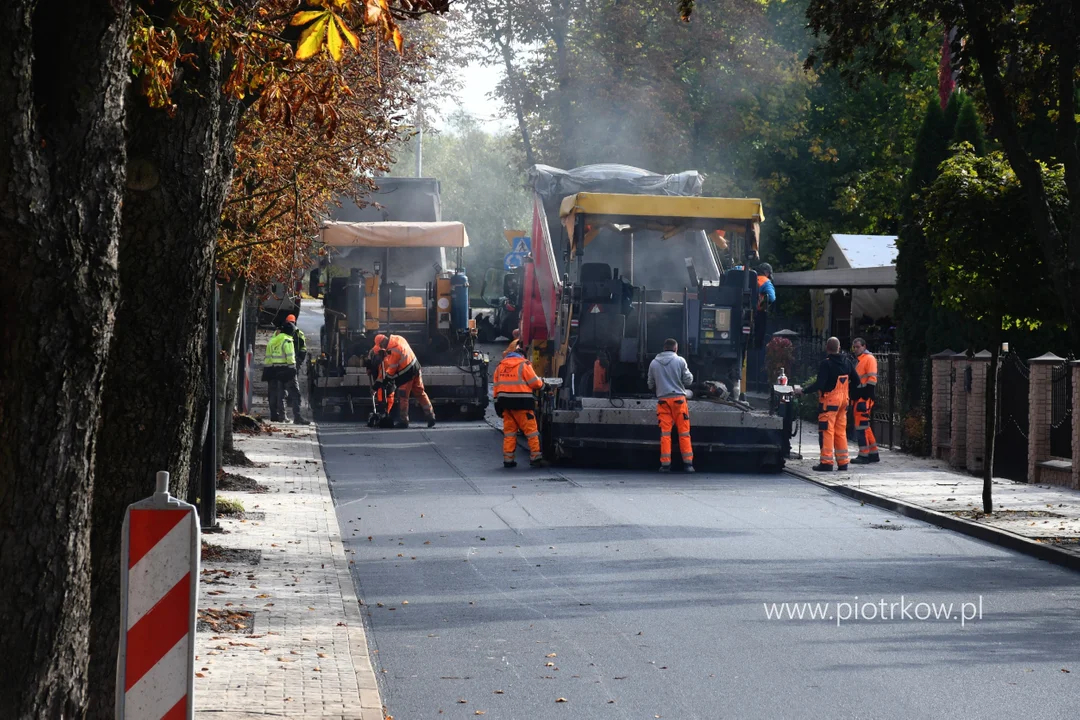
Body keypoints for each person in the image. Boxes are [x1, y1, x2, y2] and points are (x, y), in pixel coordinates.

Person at [794, 337, 857, 471]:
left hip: (829, 403)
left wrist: (803, 391)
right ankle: (843, 462)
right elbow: (856, 381)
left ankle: (827, 463)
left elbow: (819, 384)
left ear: (827, 349)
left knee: (827, 431)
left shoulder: (826, 364)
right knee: (840, 431)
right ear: (839, 348)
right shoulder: (847, 362)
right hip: (843, 402)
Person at [647, 338, 695, 473]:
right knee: (684, 433)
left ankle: (665, 465)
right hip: (679, 401)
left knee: (665, 434)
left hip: (663, 402)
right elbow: (688, 380)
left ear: (664, 348)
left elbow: (650, 383)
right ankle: (688, 464)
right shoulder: (680, 361)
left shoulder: (654, 363)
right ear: (675, 348)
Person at [493, 346, 545, 467]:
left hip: (505, 404)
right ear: (522, 356)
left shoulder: (500, 366)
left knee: (510, 433)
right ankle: (535, 457)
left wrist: (497, 404)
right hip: (523, 404)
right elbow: (535, 382)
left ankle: (508, 460)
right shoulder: (524, 364)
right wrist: (543, 386)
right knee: (531, 431)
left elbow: (496, 387)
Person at [370, 333, 435, 429]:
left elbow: (391, 372)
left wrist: (382, 383)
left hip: (406, 375)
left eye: (381, 346)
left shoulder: (393, 351)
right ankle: (431, 416)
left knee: (403, 397)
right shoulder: (398, 338)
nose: (382, 348)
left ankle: (403, 421)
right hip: (416, 368)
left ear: (383, 343)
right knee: (420, 393)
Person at [263, 321, 309, 424]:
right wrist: (293, 369)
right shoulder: (288, 341)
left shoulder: (273, 340)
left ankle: (282, 417)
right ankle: (297, 418)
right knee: (295, 394)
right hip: (287, 370)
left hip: (277, 370)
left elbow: (269, 357)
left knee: (281, 394)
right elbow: (290, 356)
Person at [851, 337, 880, 464]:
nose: (855, 349)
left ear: (864, 346)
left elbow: (872, 380)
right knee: (865, 426)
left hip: (863, 398)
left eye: (858, 347)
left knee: (861, 427)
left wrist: (866, 396)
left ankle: (864, 455)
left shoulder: (869, 359)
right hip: (860, 397)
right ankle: (873, 453)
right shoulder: (860, 360)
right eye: (854, 347)